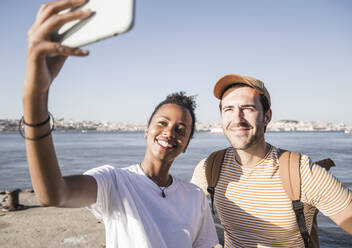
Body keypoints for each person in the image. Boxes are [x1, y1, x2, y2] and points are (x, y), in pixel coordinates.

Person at [22, 0, 219, 247]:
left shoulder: (195, 198)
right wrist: (35, 97)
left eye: (181, 130)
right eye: (162, 123)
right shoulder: (114, 182)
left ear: (186, 144)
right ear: (147, 130)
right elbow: (53, 194)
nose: (169, 132)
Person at [191, 73, 352, 247]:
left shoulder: (301, 172)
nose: (237, 119)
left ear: (267, 116)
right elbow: (183, 219)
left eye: (248, 108)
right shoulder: (210, 167)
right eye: (228, 109)